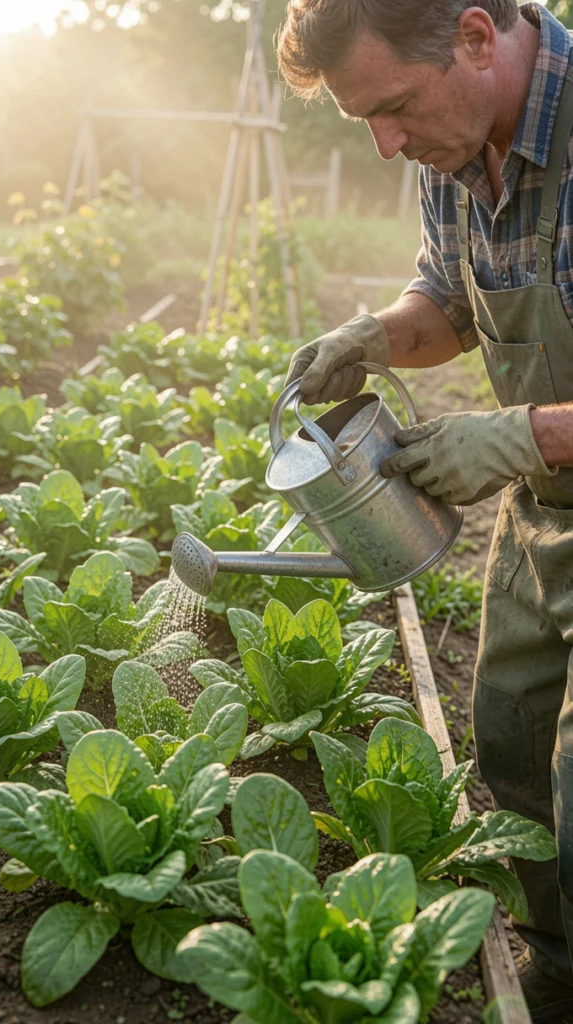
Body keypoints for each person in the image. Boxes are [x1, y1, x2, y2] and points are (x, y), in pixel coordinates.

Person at [277, 0, 573, 1019]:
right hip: (548, 516)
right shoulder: (451, 158)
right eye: (365, 121)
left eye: (393, 108)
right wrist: (374, 336)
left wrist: (516, 436)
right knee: (509, 739)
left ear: (476, 37)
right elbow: (448, 302)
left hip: (542, 463)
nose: (385, 144)